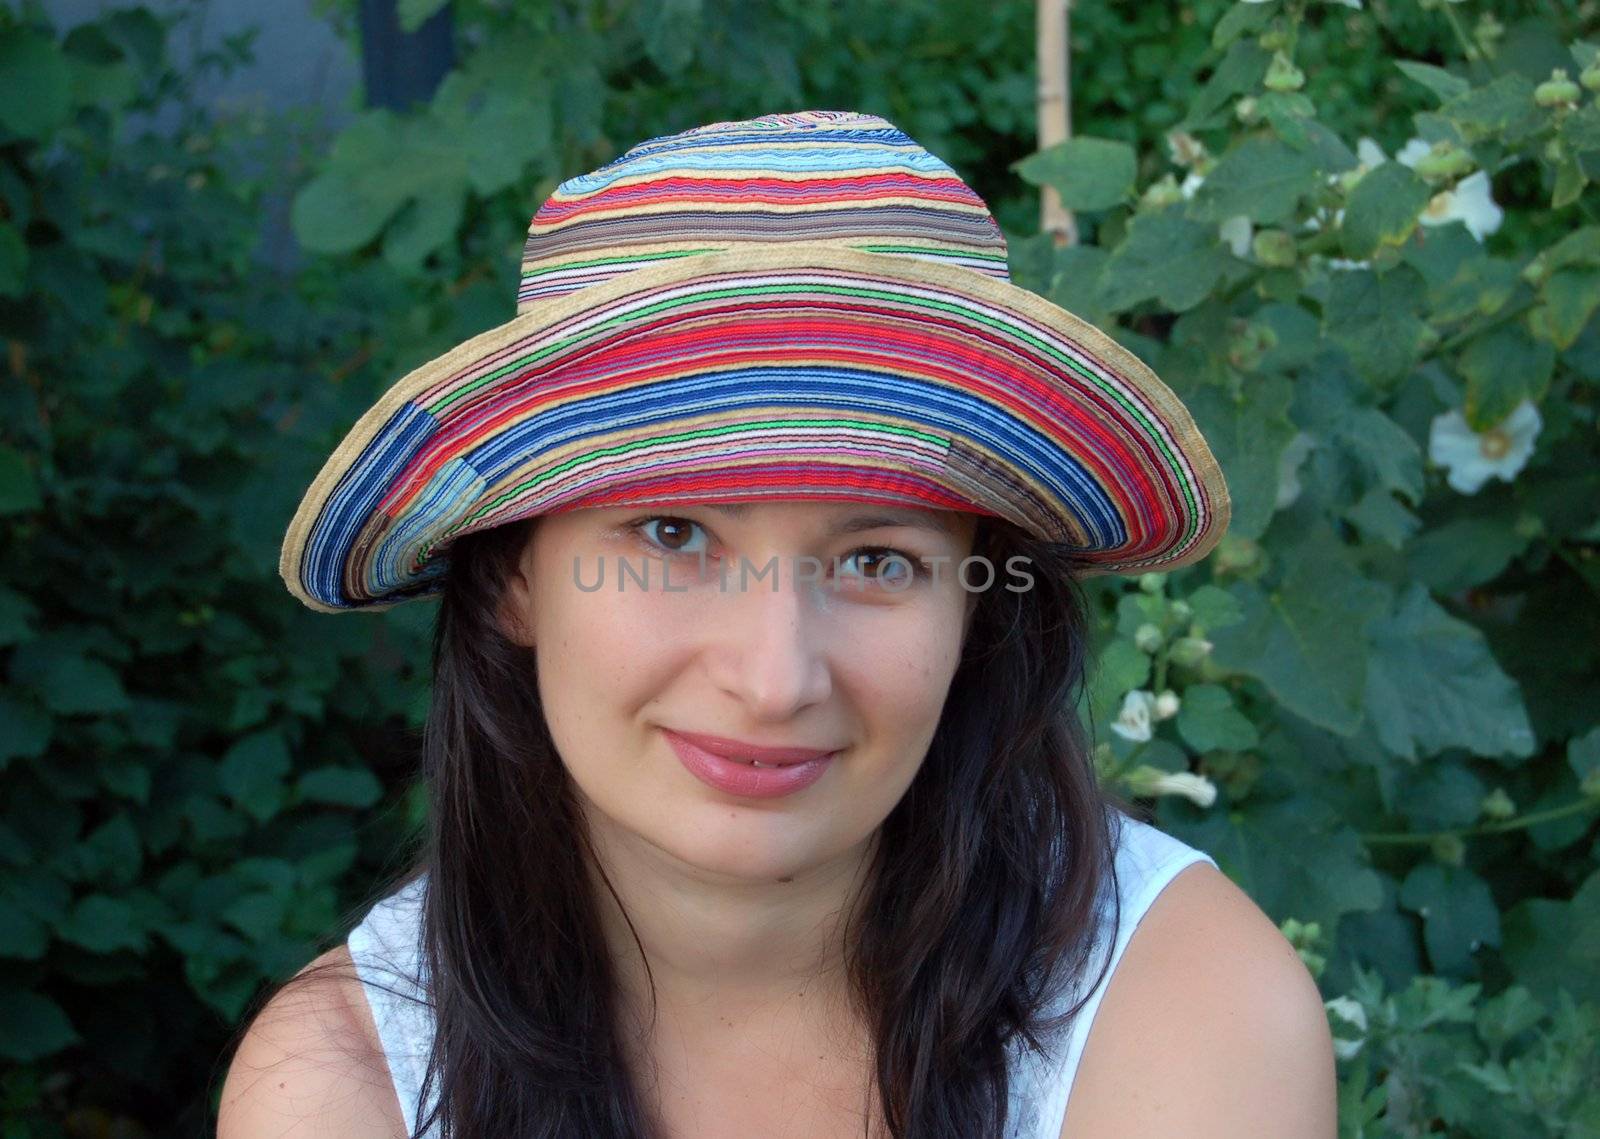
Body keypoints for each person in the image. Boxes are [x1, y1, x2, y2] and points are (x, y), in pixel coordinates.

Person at [217, 110, 1337, 1138]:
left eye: (876, 558)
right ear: (511, 577)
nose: (773, 675)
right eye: (671, 533)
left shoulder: (1182, 1010)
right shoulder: (338, 1090)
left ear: (976, 610)